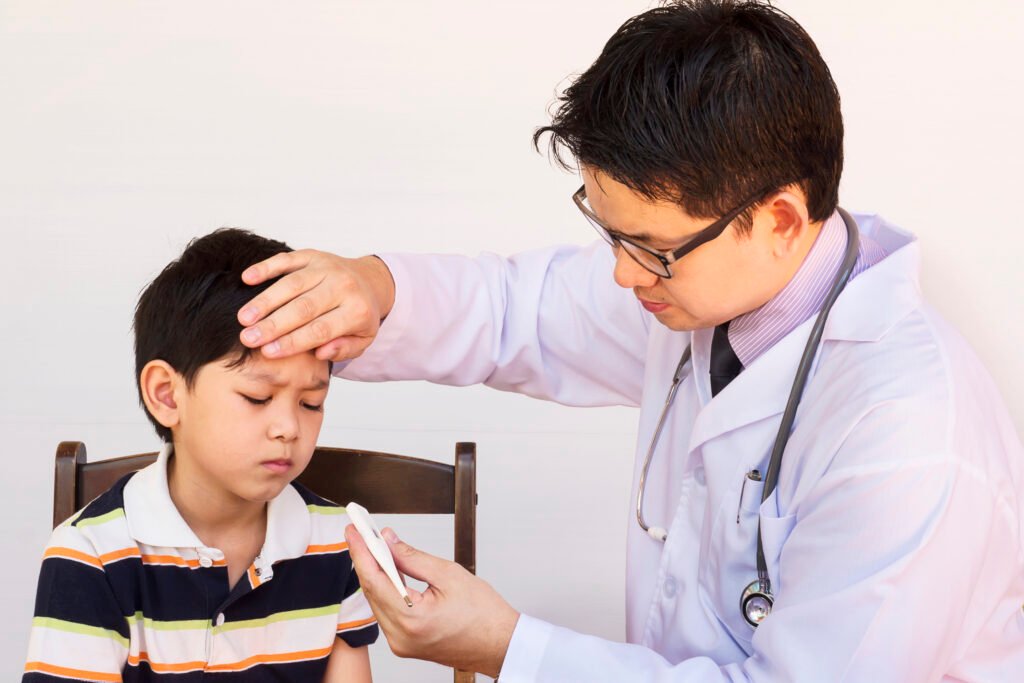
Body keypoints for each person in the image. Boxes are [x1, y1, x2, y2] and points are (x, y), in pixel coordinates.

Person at [235, 1, 1024, 681]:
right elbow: (519, 310)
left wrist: (513, 648)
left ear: (780, 218)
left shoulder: (909, 439)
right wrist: (374, 289)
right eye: (607, 230)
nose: (620, 273)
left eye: (649, 246)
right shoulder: (707, 285)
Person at [24, 229, 378, 682]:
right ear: (167, 395)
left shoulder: (339, 545)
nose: (289, 427)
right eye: (257, 397)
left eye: (311, 402)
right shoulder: (92, 555)